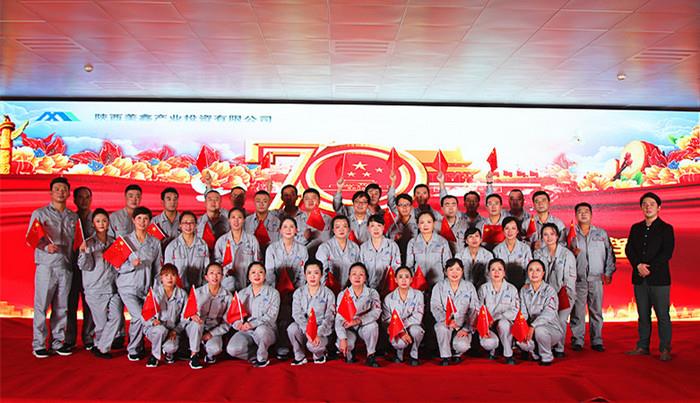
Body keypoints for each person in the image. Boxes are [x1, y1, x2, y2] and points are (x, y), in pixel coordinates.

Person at [28, 177, 78, 358]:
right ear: (51, 192)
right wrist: (45, 247)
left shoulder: (73, 217)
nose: (60, 192)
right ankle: (39, 344)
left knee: (62, 307)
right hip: (47, 265)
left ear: (68, 193)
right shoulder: (40, 214)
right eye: (57, 189)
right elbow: (31, 238)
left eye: (64, 189)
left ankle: (58, 342)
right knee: (42, 305)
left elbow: (77, 241)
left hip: (66, 265)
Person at [625, 192, 674, 361]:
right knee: (643, 314)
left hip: (659, 279)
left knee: (662, 314)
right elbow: (629, 249)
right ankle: (642, 346)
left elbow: (667, 253)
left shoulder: (666, 228)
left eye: (652, 204)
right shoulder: (635, 228)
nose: (648, 207)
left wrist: (649, 268)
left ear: (659, 207)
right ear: (641, 207)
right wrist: (638, 265)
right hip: (639, 278)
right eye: (645, 204)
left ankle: (665, 348)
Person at [115, 206, 163, 361]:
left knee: (138, 317)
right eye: (139, 219)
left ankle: (138, 346)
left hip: (145, 286)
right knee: (138, 315)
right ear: (133, 220)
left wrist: (155, 289)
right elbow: (116, 265)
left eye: (146, 219)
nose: (142, 222)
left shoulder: (154, 242)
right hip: (127, 286)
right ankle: (133, 348)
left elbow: (158, 268)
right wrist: (131, 265)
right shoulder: (124, 241)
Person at [567, 202, 616, 352]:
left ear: (591, 214)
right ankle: (577, 340)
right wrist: (571, 252)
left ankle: (597, 340)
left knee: (596, 311)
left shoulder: (601, 233)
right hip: (578, 280)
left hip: (596, 279)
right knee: (578, 312)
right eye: (580, 211)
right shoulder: (570, 233)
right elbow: (562, 253)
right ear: (575, 215)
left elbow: (609, 253)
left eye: (586, 211)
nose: (583, 214)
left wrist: (608, 272)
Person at [77, 208, 122, 359]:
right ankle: (101, 347)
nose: (101, 224)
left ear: (108, 223)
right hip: (95, 289)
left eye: (104, 221)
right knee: (101, 324)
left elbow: (118, 265)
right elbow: (85, 266)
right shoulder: (88, 243)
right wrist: (84, 252)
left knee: (117, 317)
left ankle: (100, 346)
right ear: (93, 224)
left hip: (113, 287)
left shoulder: (114, 242)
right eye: (98, 221)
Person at [265, 216, 309, 360]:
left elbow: (303, 274)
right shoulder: (272, 249)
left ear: (296, 230)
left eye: (291, 227)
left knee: (294, 314)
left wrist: (297, 292)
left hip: (296, 290)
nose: (288, 230)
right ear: (280, 230)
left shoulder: (302, 249)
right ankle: (280, 344)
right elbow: (270, 273)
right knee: (280, 315)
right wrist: (276, 293)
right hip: (276, 290)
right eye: (285, 227)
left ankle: (295, 345)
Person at [533, 223, 576, 357]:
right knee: (544, 319)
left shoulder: (567, 254)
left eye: (552, 234)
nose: (549, 237)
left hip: (563, 293)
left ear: (557, 236)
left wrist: (565, 293)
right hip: (544, 294)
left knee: (561, 320)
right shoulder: (538, 253)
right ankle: (545, 346)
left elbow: (571, 278)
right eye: (545, 235)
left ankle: (559, 348)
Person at [227, 262, 281, 368]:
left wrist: (252, 324)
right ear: (248, 276)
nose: (257, 275)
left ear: (265, 275)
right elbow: (234, 315)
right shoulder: (241, 294)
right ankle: (255, 354)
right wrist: (238, 324)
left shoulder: (273, 293)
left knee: (261, 330)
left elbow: (271, 316)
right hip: (247, 330)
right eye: (253, 272)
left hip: (266, 329)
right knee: (232, 349)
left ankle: (262, 358)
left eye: (260, 272)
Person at [431, 258, 479, 366]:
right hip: (446, 322)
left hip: (463, 325)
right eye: (451, 269)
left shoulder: (469, 287)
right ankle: (445, 356)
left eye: (458, 269)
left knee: (462, 345)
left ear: (462, 271)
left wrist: (466, 328)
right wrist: (447, 320)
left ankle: (457, 354)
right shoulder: (438, 287)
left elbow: (474, 309)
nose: (454, 273)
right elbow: (435, 307)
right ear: (445, 271)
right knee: (441, 328)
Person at [182, 263, 231, 369]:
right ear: (206, 277)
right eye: (211, 273)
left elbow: (228, 322)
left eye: (218, 273)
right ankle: (194, 355)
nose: (215, 276)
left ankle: (209, 355)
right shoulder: (197, 292)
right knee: (197, 323)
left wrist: (211, 333)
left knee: (216, 349)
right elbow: (184, 315)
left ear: (222, 276)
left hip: (213, 328)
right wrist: (192, 316)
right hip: (195, 328)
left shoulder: (228, 296)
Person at [287, 260, 336, 365]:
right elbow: (296, 314)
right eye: (309, 273)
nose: (312, 276)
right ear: (305, 275)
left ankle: (319, 355)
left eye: (316, 273)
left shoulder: (328, 294)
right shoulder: (298, 293)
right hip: (305, 328)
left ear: (321, 275)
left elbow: (329, 317)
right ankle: (299, 356)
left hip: (321, 330)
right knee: (292, 328)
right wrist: (308, 331)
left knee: (313, 346)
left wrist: (317, 333)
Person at [517, 259, 564, 366]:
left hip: (550, 328)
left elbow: (549, 313)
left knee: (540, 330)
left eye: (538, 270)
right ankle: (535, 352)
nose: (534, 273)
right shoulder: (524, 290)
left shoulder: (550, 291)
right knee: (520, 340)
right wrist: (522, 328)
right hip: (531, 329)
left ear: (543, 273)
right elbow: (523, 312)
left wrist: (533, 326)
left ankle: (546, 357)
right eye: (531, 270)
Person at [335, 263, 382, 367]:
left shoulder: (372, 293)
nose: (357, 277)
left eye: (361, 274)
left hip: (363, 325)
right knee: (343, 344)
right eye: (354, 274)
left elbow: (376, 311)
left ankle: (371, 355)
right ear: (349, 277)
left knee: (373, 326)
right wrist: (342, 338)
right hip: (348, 327)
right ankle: (350, 353)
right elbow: (339, 319)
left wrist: (358, 320)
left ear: (365, 278)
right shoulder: (343, 295)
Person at [66, 185, 95, 351]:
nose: (84, 201)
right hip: (71, 266)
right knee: (69, 303)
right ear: (75, 200)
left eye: (87, 197)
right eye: (80, 197)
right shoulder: (70, 218)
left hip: (91, 269)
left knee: (89, 303)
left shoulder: (97, 218)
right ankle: (69, 339)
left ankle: (88, 337)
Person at [143, 264, 187, 368]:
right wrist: (152, 321)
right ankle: (154, 356)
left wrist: (176, 330)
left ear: (177, 277)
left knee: (171, 347)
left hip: (172, 330)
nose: (170, 278)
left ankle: (168, 353)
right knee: (160, 330)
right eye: (166, 275)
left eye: (173, 275)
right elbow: (145, 314)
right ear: (161, 278)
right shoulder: (154, 293)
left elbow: (185, 317)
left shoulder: (182, 294)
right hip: (155, 329)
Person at [478, 258, 520, 365]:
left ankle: (508, 354)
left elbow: (515, 311)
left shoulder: (512, 289)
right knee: (488, 343)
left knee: (503, 324)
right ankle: (492, 350)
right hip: (488, 325)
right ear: (488, 273)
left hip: (505, 324)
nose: (496, 272)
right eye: (493, 269)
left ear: (504, 273)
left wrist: (497, 317)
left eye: (500, 269)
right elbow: (479, 309)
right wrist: (486, 323)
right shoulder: (483, 289)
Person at [381, 266, 424, 366]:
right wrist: (400, 331)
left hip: (412, 325)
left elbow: (417, 316)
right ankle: (399, 354)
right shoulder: (389, 298)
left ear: (411, 279)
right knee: (399, 343)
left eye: (407, 277)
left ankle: (414, 355)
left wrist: (403, 325)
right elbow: (386, 319)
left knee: (417, 331)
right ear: (395, 280)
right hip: (395, 328)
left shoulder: (418, 295)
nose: (404, 280)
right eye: (400, 277)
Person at [214, 207, 261, 292]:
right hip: (226, 287)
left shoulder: (252, 240)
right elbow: (216, 266)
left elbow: (257, 263)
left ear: (244, 220)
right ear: (228, 220)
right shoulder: (221, 241)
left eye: (239, 217)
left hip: (247, 286)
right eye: (233, 217)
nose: (236, 221)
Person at [164, 211, 210, 290]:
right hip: (178, 290)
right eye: (185, 222)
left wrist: (203, 288)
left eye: (191, 223)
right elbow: (168, 271)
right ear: (180, 225)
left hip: (198, 289)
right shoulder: (172, 247)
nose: (188, 226)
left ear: (196, 225)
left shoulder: (203, 245)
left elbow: (206, 269)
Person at [406, 211, 452, 288]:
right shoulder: (412, 243)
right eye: (422, 222)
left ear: (434, 224)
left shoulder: (442, 242)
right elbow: (409, 266)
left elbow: (448, 266)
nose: (425, 225)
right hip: (419, 285)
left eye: (429, 222)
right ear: (418, 225)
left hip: (438, 284)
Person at [316, 215, 361, 288]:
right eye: (337, 227)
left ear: (349, 229)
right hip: (329, 289)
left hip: (350, 289)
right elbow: (319, 272)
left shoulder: (355, 248)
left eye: (344, 226)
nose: (341, 230)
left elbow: (359, 270)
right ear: (333, 230)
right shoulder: (325, 247)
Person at [359, 214, 401, 290]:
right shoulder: (363, 248)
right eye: (372, 226)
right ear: (368, 228)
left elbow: (396, 269)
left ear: (383, 227)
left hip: (388, 289)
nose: (376, 229)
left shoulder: (392, 246)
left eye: (379, 225)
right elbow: (361, 270)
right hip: (369, 289)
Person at [493, 217, 532, 290]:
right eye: (507, 228)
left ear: (517, 231)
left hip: (522, 284)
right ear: (503, 230)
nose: (510, 232)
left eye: (513, 228)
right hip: (502, 286)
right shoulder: (497, 250)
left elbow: (529, 268)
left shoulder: (525, 248)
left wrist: (527, 284)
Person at [295, 188, 331, 256]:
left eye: (314, 198)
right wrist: (304, 238)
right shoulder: (296, 221)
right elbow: (291, 244)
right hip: (303, 258)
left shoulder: (328, 220)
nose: (310, 201)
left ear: (319, 201)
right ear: (303, 202)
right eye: (307, 199)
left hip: (324, 258)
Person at [386, 193, 418, 263]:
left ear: (411, 207)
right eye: (401, 205)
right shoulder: (392, 226)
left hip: (413, 261)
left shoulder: (419, 225)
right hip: (395, 262)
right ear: (397, 207)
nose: (404, 207)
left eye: (407, 204)